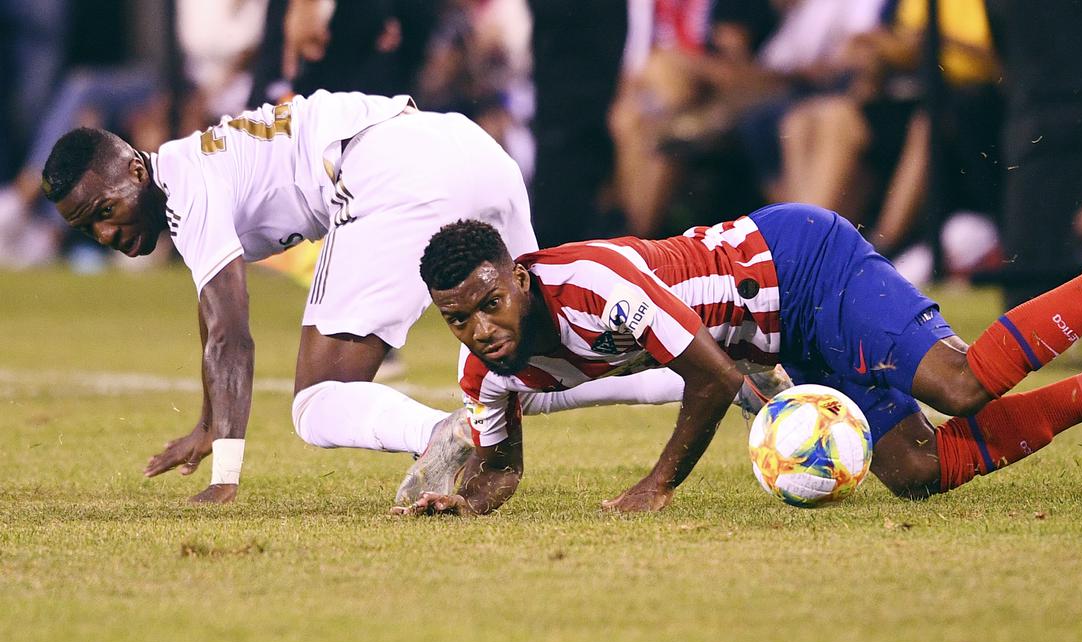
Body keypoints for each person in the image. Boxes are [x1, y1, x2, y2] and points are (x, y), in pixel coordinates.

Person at [40, 89, 686, 504]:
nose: (106, 234)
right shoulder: (188, 171)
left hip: (391, 169)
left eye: (105, 211)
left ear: (136, 168)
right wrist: (211, 420)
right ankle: (704, 369)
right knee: (528, 365)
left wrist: (225, 472)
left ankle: (440, 432)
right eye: (87, 228)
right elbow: (213, 320)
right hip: (470, 149)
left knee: (318, 403)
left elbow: (230, 331)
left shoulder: (185, 184)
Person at [399, 200, 1082, 516]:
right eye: (457, 319)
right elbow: (501, 465)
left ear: (518, 277)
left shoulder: (590, 284)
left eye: (489, 302)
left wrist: (656, 486)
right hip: (781, 334)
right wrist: (465, 501)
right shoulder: (488, 374)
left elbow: (714, 378)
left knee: (958, 384)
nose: (479, 328)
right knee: (916, 470)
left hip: (799, 264)